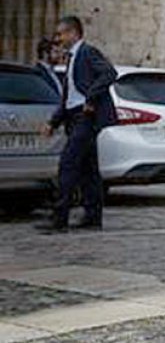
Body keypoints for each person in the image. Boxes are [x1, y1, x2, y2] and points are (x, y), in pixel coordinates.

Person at [37, 16, 116, 233]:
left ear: (73, 33)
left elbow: (109, 73)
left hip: (86, 117)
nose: (58, 39)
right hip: (74, 117)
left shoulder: (87, 52)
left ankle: (59, 219)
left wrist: (91, 98)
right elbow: (68, 96)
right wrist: (53, 122)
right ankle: (93, 217)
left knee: (68, 163)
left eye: (61, 34)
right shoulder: (71, 58)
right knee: (88, 169)